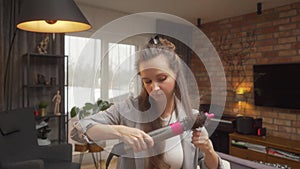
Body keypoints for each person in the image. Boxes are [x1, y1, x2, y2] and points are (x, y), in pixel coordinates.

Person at [71, 36, 224, 169]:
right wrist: (120, 131)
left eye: (162, 79)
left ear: (175, 73)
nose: (154, 88)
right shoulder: (128, 110)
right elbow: (79, 130)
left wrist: (208, 150)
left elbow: (210, 166)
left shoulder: (192, 118)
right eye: (147, 81)